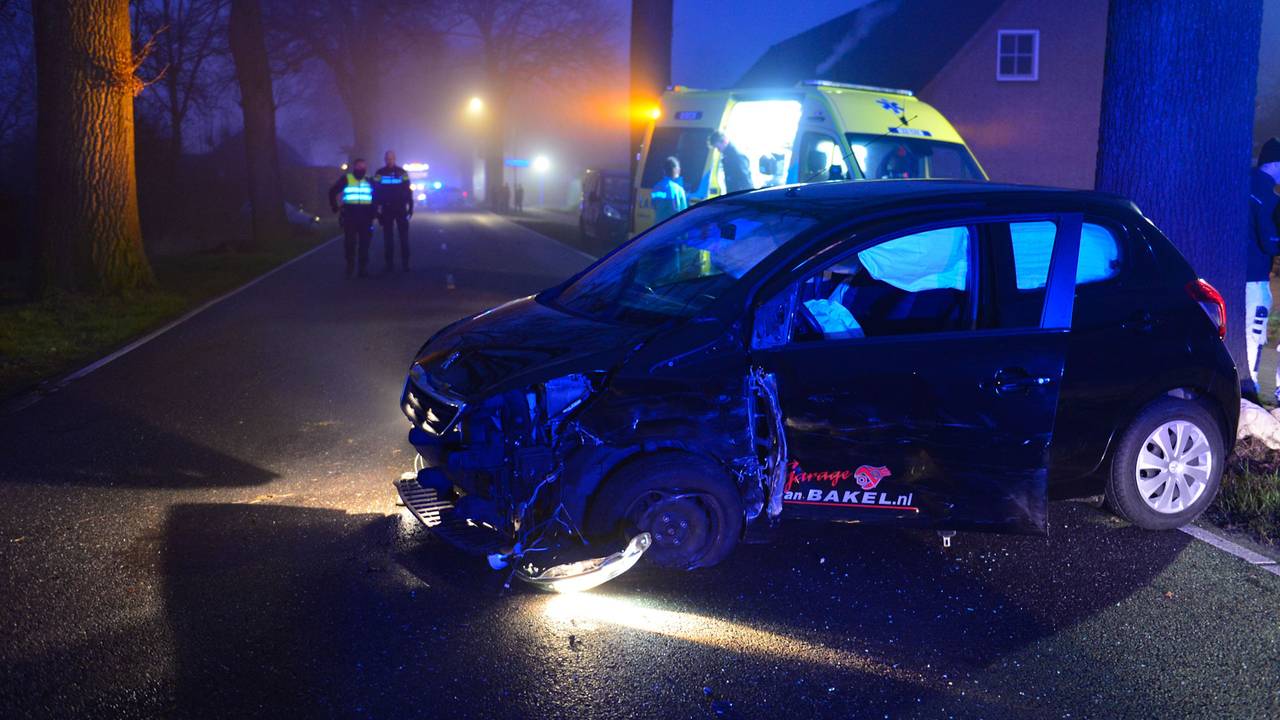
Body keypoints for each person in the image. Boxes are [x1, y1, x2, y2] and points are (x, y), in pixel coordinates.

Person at [1247, 137, 1280, 397]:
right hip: (1256, 278)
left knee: (1261, 333)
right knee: (1257, 333)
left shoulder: (1245, 183)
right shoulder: (1265, 193)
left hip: (1247, 274)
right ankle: (1261, 389)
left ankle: (1266, 386)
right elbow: (1269, 242)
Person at [329, 158, 376, 277]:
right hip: (350, 216)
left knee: (364, 244)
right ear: (354, 167)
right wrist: (335, 206)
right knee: (350, 243)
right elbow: (332, 191)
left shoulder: (370, 180)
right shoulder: (346, 179)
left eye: (363, 167)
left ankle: (362, 269)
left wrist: (375, 212)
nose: (361, 169)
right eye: (359, 167)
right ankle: (350, 267)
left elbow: (378, 196)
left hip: (366, 217)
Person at [373, 150, 413, 271]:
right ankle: (389, 264)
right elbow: (375, 191)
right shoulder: (379, 173)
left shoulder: (402, 172)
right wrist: (377, 211)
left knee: (404, 238)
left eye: (391, 158)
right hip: (387, 208)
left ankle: (405, 264)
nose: (389, 160)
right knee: (388, 238)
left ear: (395, 159)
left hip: (400, 208)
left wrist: (410, 207)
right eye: (387, 158)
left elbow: (408, 190)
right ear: (385, 159)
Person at [650, 156, 688, 223]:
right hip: (674, 227)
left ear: (664, 170)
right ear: (676, 170)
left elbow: (653, 205)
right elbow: (681, 211)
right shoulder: (679, 189)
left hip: (658, 226)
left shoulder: (656, 187)